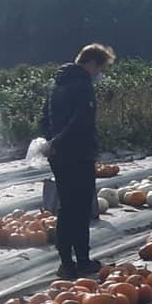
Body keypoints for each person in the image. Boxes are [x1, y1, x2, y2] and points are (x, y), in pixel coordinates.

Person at [40, 42, 115, 279]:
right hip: (78, 154)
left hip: (58, 156)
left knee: (67, 207)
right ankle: (82, 261)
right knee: (81, 209)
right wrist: (59, 142)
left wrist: (50, 143)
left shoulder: (56, 83)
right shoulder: (83, 85)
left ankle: (65, 262)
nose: (99, 74)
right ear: (91, 63)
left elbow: (43, 117)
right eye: (100, 68)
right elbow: (80, 121)